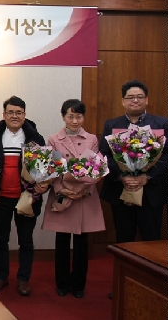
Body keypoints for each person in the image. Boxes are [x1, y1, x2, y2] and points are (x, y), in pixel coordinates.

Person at [41, 99, 105, 299]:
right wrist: (61, 189)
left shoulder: (92, 139)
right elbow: (52, 168)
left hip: (84, 197)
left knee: (82, 243)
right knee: (61, 242)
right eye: (70, 116)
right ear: (63, 117)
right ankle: (62, 283)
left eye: (79, 116)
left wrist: (85, 189)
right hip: (63, 195)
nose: (75, 121)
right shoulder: (54, 139)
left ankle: (78, 284)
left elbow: (96, 167)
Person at [0, 96, 47, 296]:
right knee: (0, 240)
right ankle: (1, 277)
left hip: (26, 197)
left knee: (26, 241)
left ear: (24, 115)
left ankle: (23, 280)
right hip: (0, 197)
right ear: (4, 114)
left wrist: (41, 186)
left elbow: (43, 168)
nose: (15, 116)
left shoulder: (35, 138)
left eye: (19, 112)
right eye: (10, 112)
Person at [99, 80, 168, 242]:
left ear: (147, 100)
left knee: (151, 239)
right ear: (123, 101)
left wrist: (147, 177)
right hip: (121, 191)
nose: (135, 100)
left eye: (140, 97)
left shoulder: (163, 124)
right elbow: (104, 155)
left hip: (151, 193)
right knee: (124, 239)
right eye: (130, 97)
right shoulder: (111, 125)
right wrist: (122, 176)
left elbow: (167, 155)